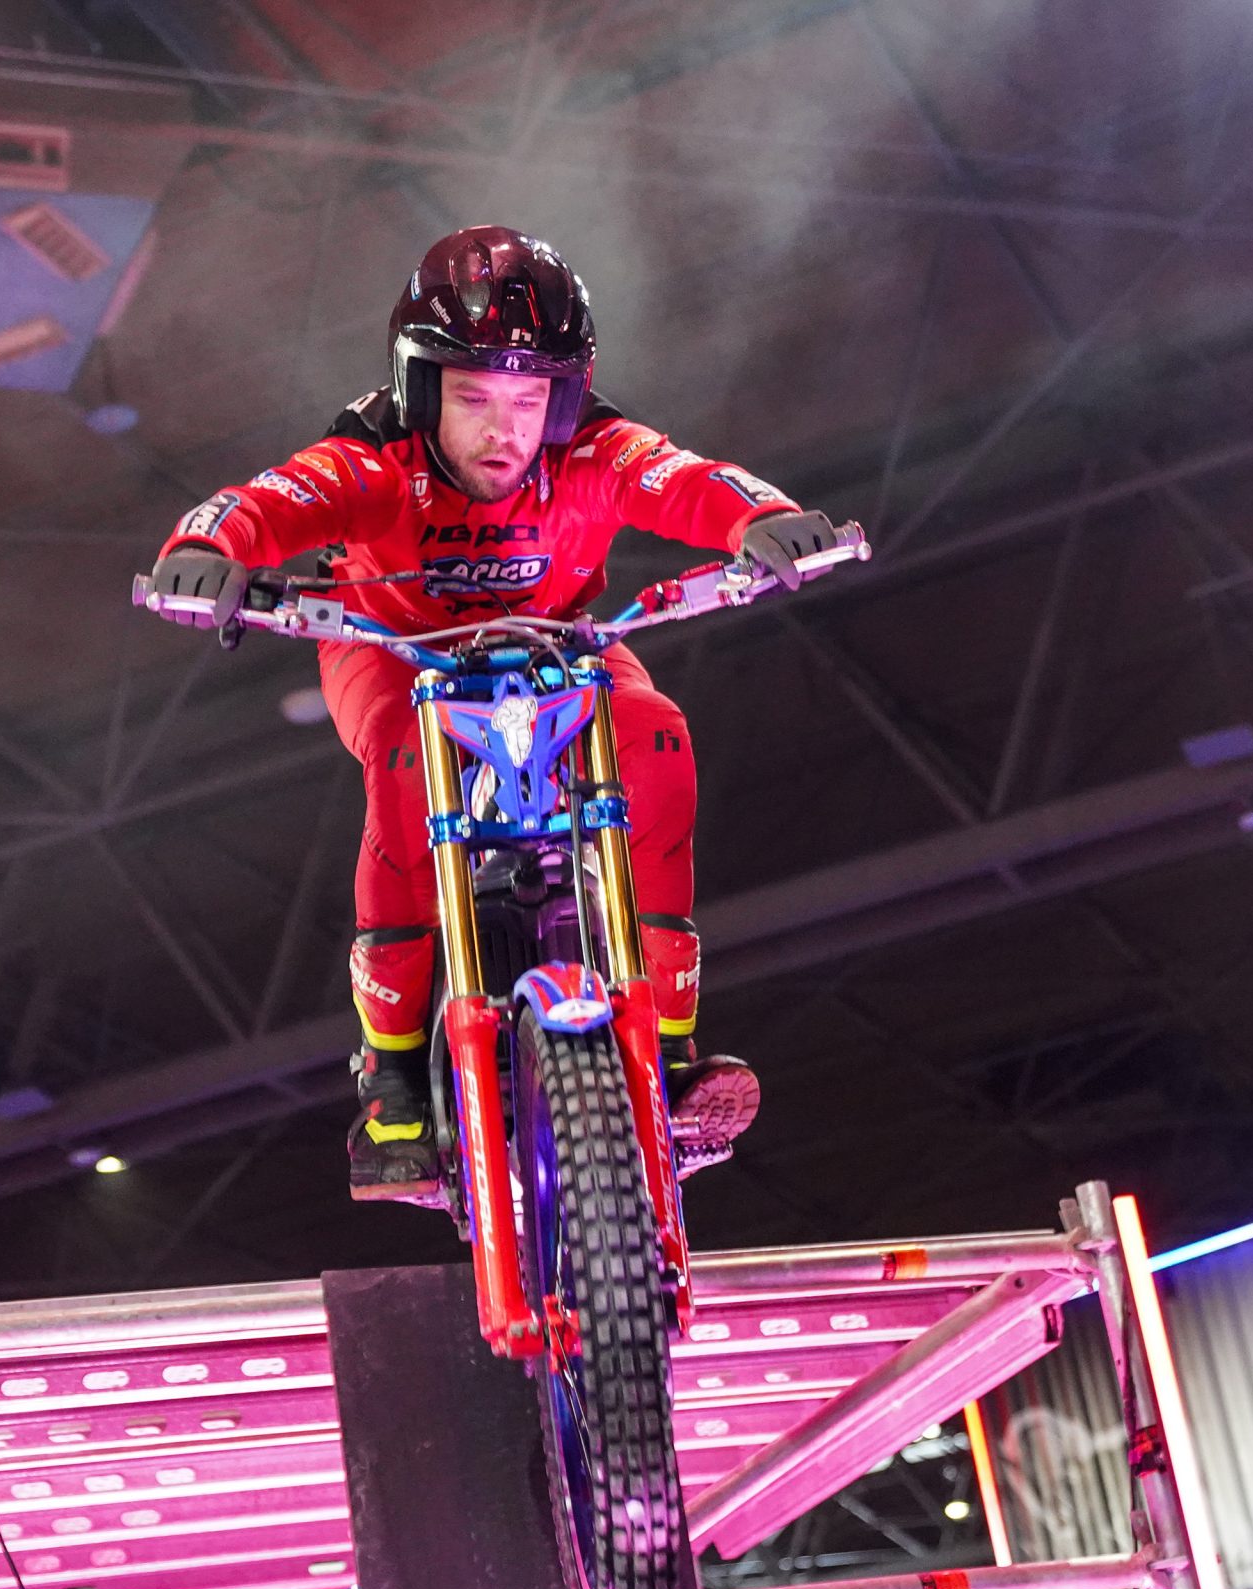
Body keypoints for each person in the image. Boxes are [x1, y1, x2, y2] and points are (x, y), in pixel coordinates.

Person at [145, 224, 838, 1199]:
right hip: (392, 651)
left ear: (567, 396)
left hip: (559, 642)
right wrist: (201, 551)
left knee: (657, 735)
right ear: (421, 388)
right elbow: (258, 504)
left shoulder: (597, 450)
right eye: (473, 398)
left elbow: (684, 478)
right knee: (403, 755)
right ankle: (391, 1076)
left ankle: (673, 1047)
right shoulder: (369, 460)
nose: (503, 429)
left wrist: (764, 518)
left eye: (529, 398)